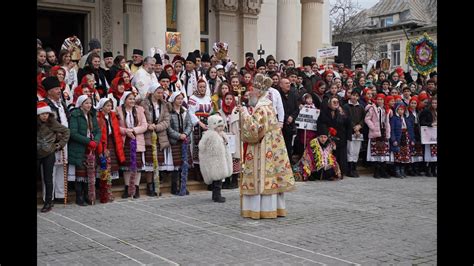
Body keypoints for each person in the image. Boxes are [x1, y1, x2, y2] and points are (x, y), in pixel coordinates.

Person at [239, 73, 295, 219]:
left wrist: (244, 114)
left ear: (258, 92)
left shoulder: (260, 108)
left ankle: (257, 209)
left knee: (260, 176)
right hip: (272, 146)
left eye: (252, 90)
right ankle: (273, 208)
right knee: (271, 175)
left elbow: (254, 129)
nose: (250, 92)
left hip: (261, 147)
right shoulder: (269, 106)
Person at [41, 76, 71, 202]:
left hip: (64, 140)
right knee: (50, 169)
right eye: (56, 88)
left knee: (61, 166)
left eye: (59, 88)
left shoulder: (61, 103)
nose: (59, 91)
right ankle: (49, 196)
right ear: (49, 91)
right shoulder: (44, 104)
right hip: (51, 141)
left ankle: (60, 195)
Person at [68, 95, 101, 206]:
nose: (89, 105)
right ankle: (79, 196)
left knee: (89, 172)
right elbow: (73, 133)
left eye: (90, 103)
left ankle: (88, 194)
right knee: (80, 173)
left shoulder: (92, 115)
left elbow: (97, 131)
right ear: (81, 104)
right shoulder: (75, 115)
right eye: (86, 103)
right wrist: (88, 141)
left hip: (90, 148)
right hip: (79, 147)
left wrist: (95, 141)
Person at [37, 102, 70, 212]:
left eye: (46, 113)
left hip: (49, 153)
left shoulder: (52, 123)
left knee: (48, 178)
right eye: (42, 114)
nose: (45, 116)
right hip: (37, 153)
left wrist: (60, 145)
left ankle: (48, 202)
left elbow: (66, 131)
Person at [140, 83, 171, 197]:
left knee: (157, 161)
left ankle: (156, 183)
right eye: (158, 92)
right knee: (149, 162)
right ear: (152, 92)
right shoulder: (144, 103)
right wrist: (148, 125)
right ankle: (149, 185)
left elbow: (167, 121)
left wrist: (157, 127)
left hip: (159, 135)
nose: (160, 94)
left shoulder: (164, 105)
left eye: (162, 92)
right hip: (148, 134)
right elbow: (141, 117)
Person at [117, 91, 148, 198]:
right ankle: (127, 187)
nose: (132, 101)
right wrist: (126, 131)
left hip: (136, 138)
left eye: (133, 99)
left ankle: (136, 187)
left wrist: (133, 130)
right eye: (130, 99)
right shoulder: (118, 110)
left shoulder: (139, 110)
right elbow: (115, 126)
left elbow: (144, 125)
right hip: (125, 140)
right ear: (125, 100)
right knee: (127, 166)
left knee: (137, 165)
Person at [95, 98, 125, 203]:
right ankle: (102, 192)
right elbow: (99, 134)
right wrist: (102, 149)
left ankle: (109, 191)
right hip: (103, 144)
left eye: (110, 106)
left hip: (111, 142)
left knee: (110, 169)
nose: (109, 108)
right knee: (103, 168)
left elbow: (116, 131)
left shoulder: (112, 116)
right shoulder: (98, 117)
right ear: (102, 107)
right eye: (107, 106)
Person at [199, 114, 233, 203]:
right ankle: (217, 195)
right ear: (213, 125)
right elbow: (202, 146)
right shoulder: (210, 135)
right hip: (214, 160)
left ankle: (216, 195)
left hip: (221, 159)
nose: (221, 128)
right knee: (217, 179)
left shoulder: (221, 134)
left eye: (222, 126)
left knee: (219, 179)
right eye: (219, 126)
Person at [167, 91, 193, 195]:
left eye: (181, 99)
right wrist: (179, 135)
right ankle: (174, 187)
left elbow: (190, 125)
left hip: (184, 141)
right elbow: (168, 128)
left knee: (184, 164)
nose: (180, 101)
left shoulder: (185, 111)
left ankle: (183, 186)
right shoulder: (169, 112)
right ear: (173, 100)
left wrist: (185, 134)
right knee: (176, 165)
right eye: (178, 98)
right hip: (175, 141)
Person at [188, 79, 213, 181]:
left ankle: (205, 172)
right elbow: (191, 112)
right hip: (198, 125)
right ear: (197, 88)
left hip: (207, 123)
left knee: (207, 147)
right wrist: (199, 122)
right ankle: (197, 172)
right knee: (198, 147)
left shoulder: (208, 98)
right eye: (200, 87)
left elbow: (211, 111)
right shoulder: (193, 98)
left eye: (204, 87)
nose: (202, 89)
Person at [365, 93, 391, 178]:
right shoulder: (373, 108)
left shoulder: (386, 109)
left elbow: (388, 119)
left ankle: (383, 170)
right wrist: (373, 127)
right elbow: (367, 119)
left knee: (383, 152)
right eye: (378, 99)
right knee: (376, 152)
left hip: (383, 131)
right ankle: (377, 171)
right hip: (375, 131)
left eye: (381, 99)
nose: (380, 101)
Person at [218, 92, 241, 189]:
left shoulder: (237, 111)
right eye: (226, 99)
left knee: (235, 158)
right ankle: (227, 180)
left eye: (230, 99)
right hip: (225, 137)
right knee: (226, 158)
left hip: (235, 137)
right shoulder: (220, 112)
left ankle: (235, 180)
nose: (228, 101)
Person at [343, 90, 365, 177]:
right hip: (350, 131)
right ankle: (350, 169)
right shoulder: (346, 106)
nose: (354, 97)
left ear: (358, 97)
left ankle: (354, 168)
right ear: (350, 96)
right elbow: (346, 118)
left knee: (356, 150)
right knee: (350, 150)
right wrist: (354, 128)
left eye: (356, 96)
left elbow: (364, 118)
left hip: (359, 132)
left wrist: (359, 126)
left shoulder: (361, 107)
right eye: (353, 95)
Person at [389, 103, 415, 178]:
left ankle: (402, 170)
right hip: (398, 138)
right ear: (397, 110)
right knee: (398, 155)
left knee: (405, 155)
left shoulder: (406, 118)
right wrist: (393, 140)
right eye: (400, 109)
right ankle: (397, 171)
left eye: (402, 109)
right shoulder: (394, 118)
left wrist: (412, 139)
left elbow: (411, 129)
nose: (401, 111)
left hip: (406, 138)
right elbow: (392, 130)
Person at [418, 96, 437, 177]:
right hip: (429, 135)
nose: (434, 104)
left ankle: (433, 170)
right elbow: (422, 122)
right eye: (433, 103)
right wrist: (431, 124)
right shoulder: (426, 111)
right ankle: (427, 170)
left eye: (436, 103)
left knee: (436, 154)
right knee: (429, 153)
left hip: (436, 135)